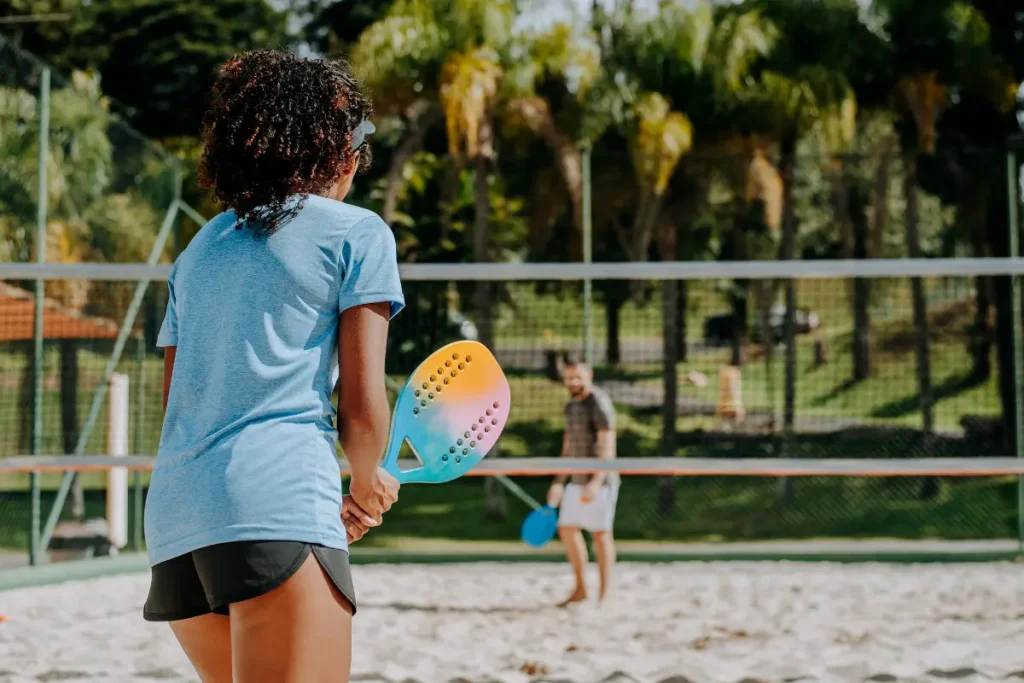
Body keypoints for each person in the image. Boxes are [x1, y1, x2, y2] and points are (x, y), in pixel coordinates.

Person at [142, 50, 405, 683]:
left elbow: (178, 401)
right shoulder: (357, 232)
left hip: (179, 523)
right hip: (275, 505)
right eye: (358, 139)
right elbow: (363, 409)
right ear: (331, 146)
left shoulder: (200, 249)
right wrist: (368, 481)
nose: (358, 160)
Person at [546, 359, 618, 606]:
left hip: (601, 480)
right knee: (567, 529)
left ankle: (604, 595)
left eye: (577, 377)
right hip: (575, 479)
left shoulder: (598, 402)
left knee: (601, 535)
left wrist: (596, 481)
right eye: (569, 378)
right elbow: (568, 447)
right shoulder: (571, 406)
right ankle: (581, 589)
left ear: (589, 375)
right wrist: (558, 482)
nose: (573, 382)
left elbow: (608, 444)